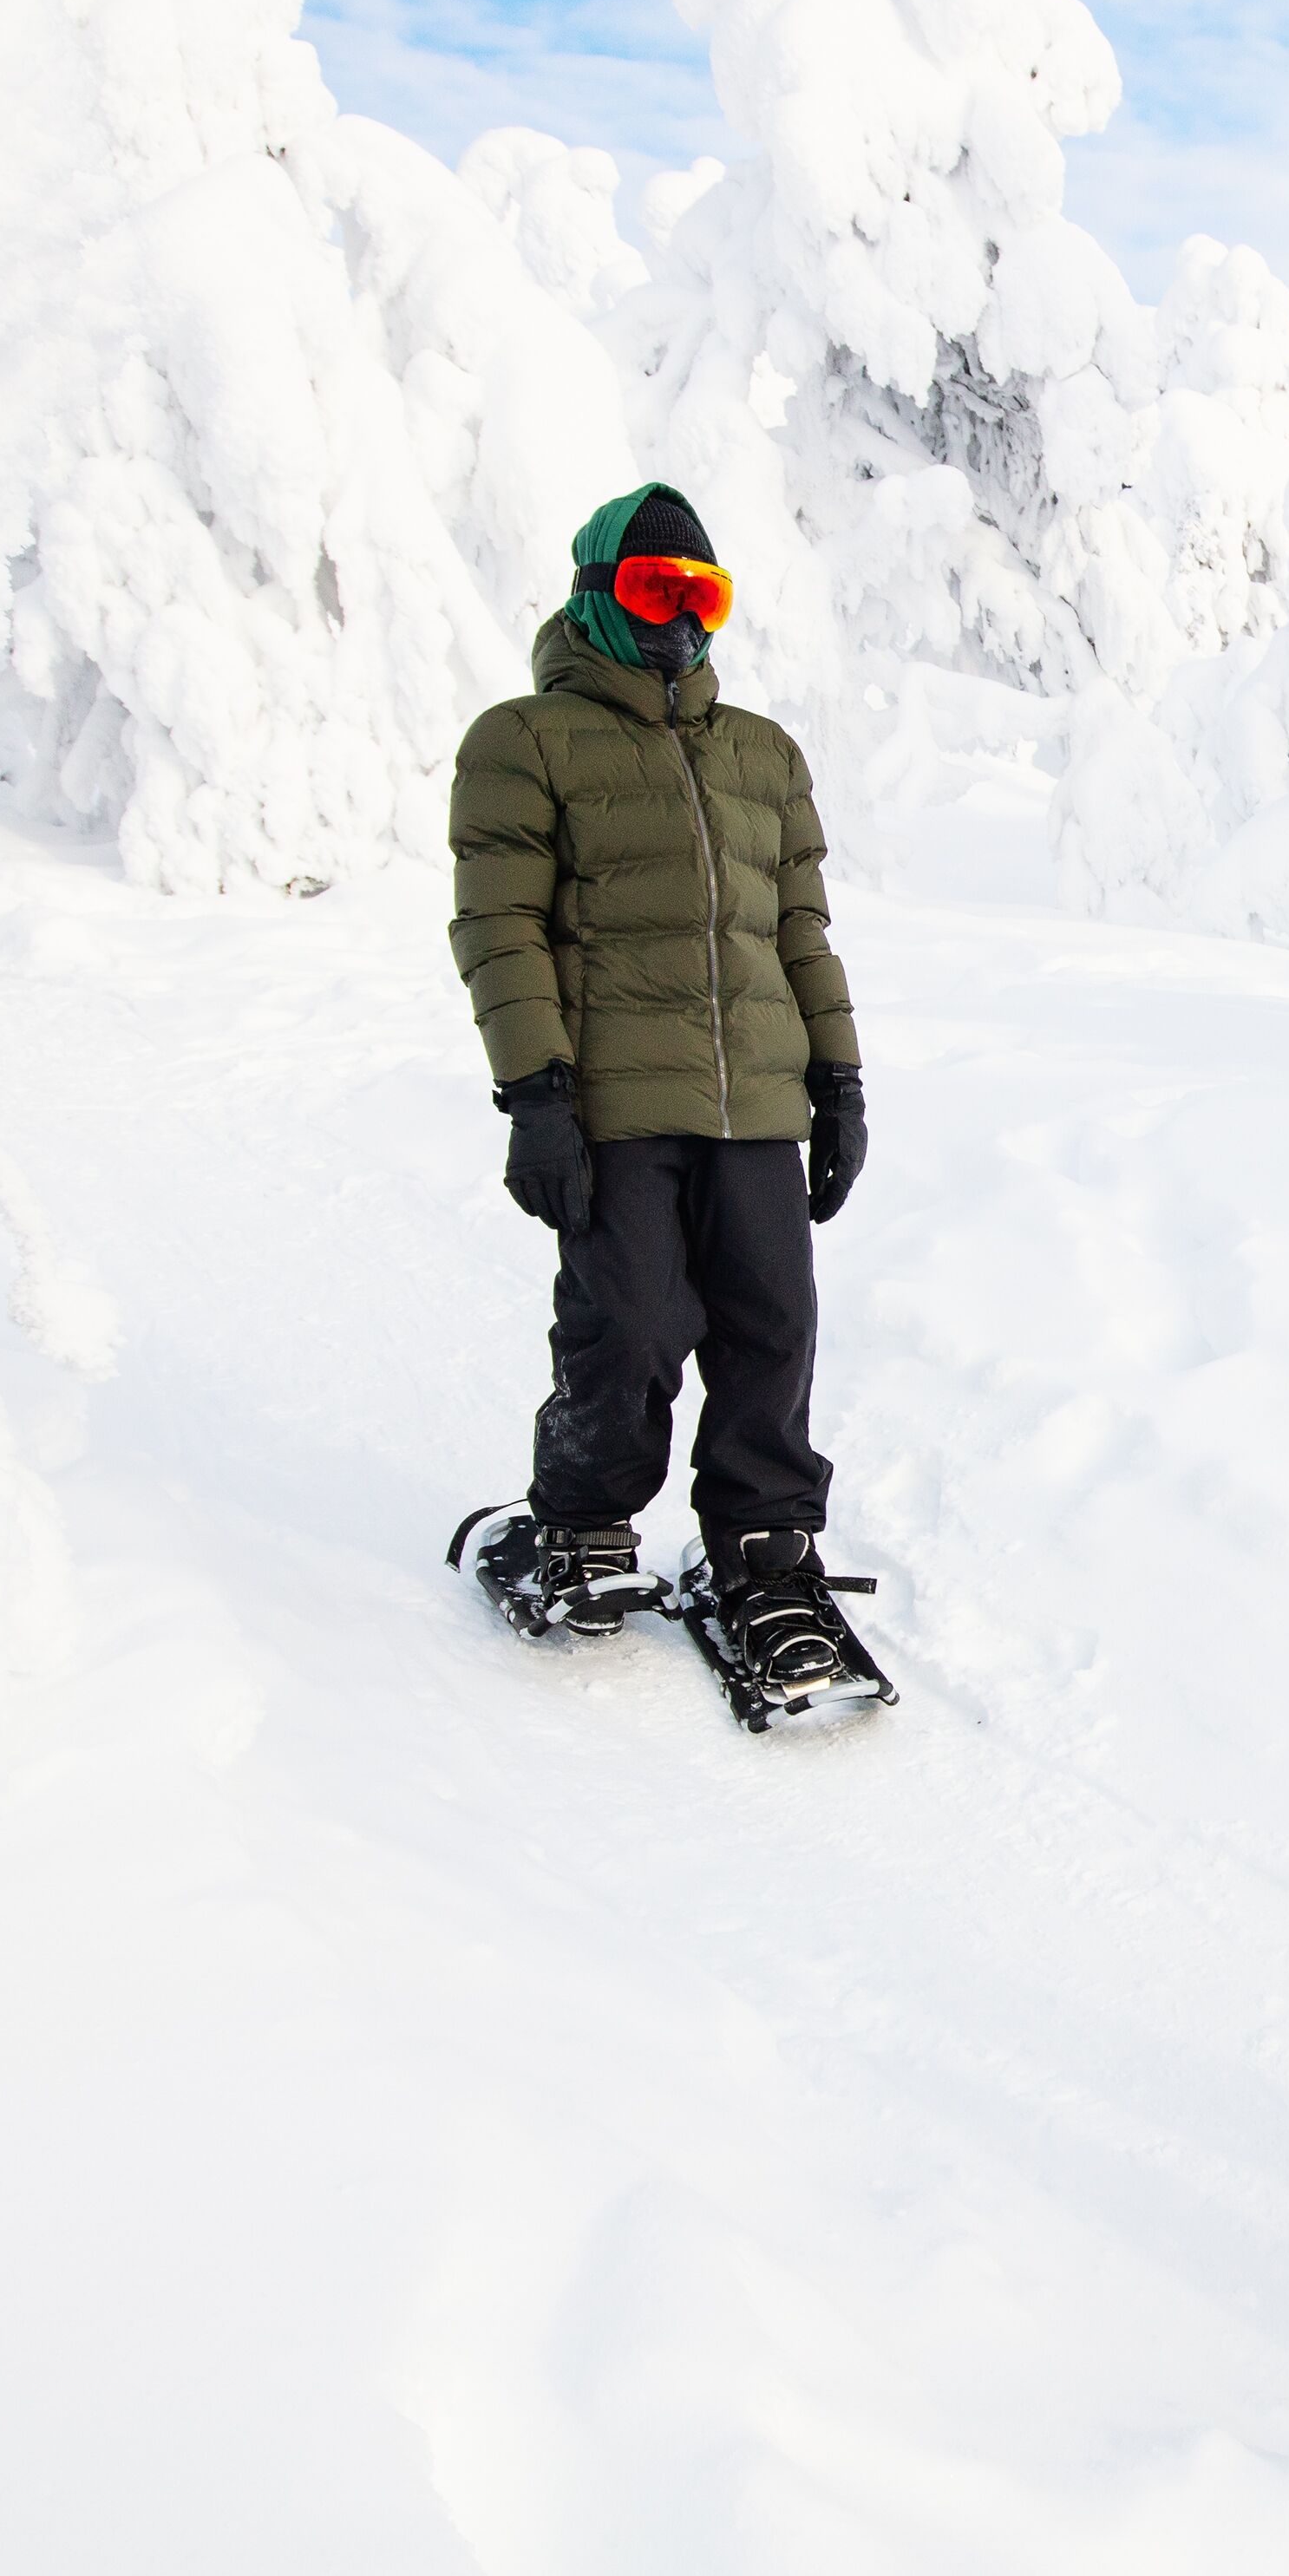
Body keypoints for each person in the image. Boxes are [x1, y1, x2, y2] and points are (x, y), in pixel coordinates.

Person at [448, 485, 874, 1692]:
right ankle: (579, 1520)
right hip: (615, 1100)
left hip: (758, 1105)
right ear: (596, 594)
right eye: (652, 592)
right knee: (628, 1325)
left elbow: (801, 931)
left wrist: (837, 1078)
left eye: (703, 596)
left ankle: (762, 1544)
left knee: (771, 1328)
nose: (681, 621)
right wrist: (534, 1092)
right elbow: (500, 925)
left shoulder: (762, 754)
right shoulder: (524, 740)